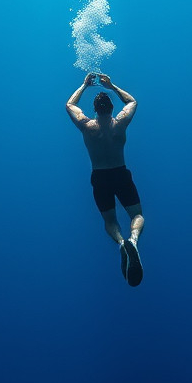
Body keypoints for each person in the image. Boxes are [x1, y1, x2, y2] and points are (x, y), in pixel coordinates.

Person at [66, 73, 144, 286]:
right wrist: (112, 86)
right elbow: (132, 101)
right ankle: (133, 241)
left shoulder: (86, 126)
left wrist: (83, 85)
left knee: (110, 221)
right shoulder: (120, 124)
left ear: (95, 109)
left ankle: (121, 243)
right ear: (111, 108)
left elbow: (70, 105)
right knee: (136, 215)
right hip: (120, 172)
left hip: (100, 177)